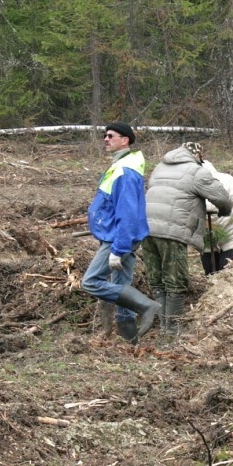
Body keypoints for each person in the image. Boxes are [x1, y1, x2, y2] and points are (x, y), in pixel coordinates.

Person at [81, 123, 161, 344]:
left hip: (117, 238)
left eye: (110, 136)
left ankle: (147, 305)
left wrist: (119, 248)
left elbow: (127, 213)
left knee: (90, 282)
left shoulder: (125, 171)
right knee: (121, 285)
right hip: (120, 237)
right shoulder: (123, 166)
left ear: (125, 140)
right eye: (104, 136)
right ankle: (129, 342)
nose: (105, 139)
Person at [144, 142, 232, 335]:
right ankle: (172, 332)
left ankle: (164, 327)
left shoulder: (159, 167)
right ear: (198, 155)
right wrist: (225, 212)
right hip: (172, 230)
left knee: (157, 279)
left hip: (147, 228)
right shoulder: (196, 171)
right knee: (176, 280)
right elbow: (222, 198)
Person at [200, 159, 233, 275]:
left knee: (226, 270)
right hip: (206, 236)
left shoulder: (226, 181)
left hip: (231, 233)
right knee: (209, 271)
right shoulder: (190, 186)